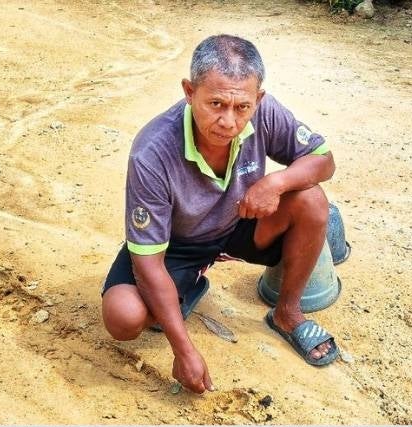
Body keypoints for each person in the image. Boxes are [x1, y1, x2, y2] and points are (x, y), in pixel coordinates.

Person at [101, 34, 338, 394]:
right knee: (122, 317)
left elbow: (324, 159)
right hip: (178, 244)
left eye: (242, 107)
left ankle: (287, 314)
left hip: (238, 223)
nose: (228, 120)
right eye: (215, 103)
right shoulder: (152, 151)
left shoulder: (265, 111)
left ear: (257, 99)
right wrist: (184, 351)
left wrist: (276, 182)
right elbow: (148, 264)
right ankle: (188, 285)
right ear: (188, 91)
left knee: (311, 200)